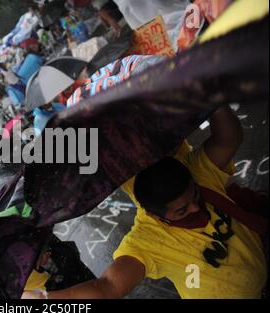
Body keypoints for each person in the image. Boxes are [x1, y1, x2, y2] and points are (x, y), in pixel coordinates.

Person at [24, 106, 268, 299]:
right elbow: (108, 288)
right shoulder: (148, 241)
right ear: (154, 214)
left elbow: (228, 139)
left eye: (195, 196)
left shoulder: (198, 171)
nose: (195, 208)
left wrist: (214, 99)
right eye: (181, 210)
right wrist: (43, 299)